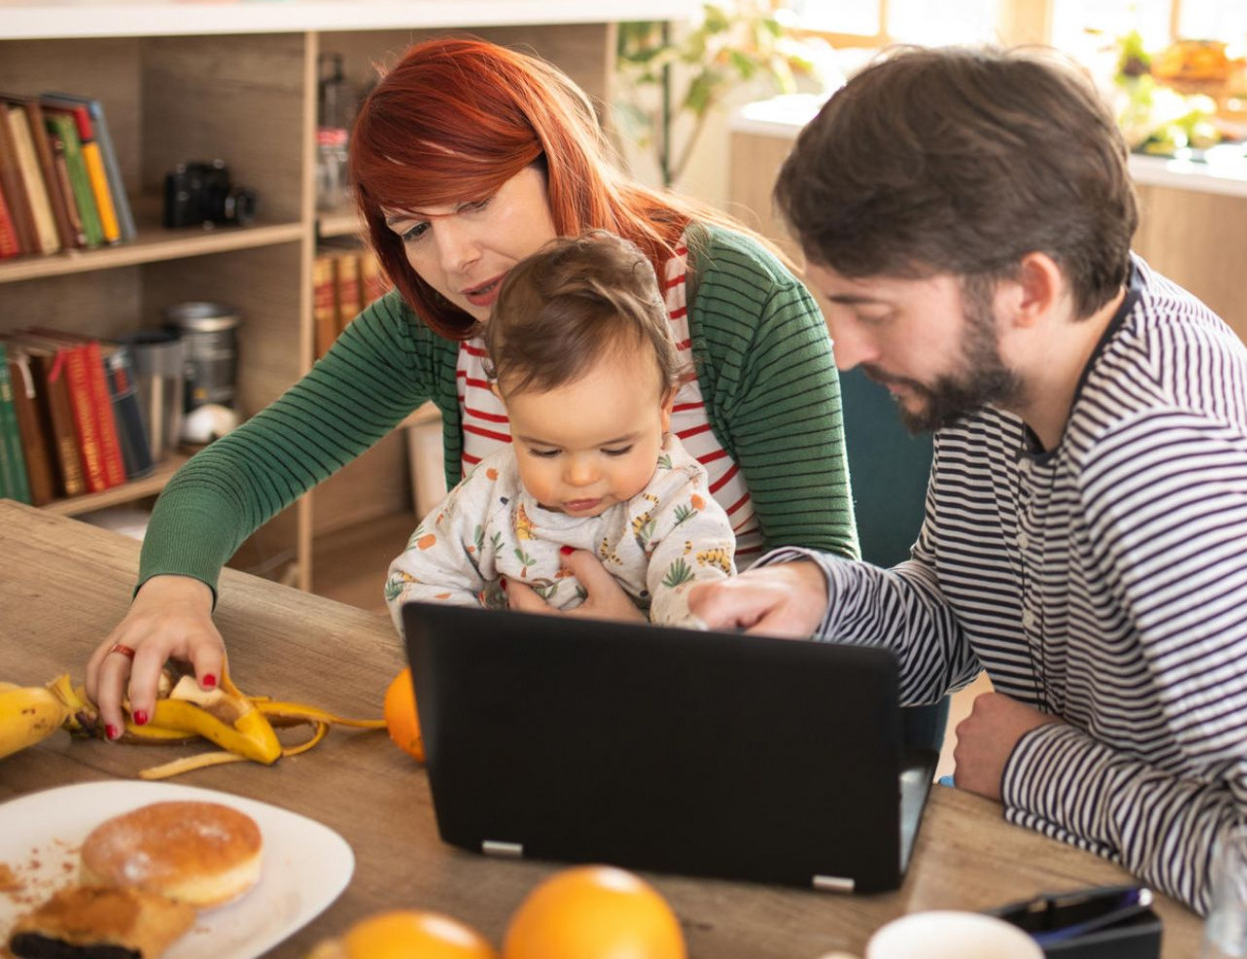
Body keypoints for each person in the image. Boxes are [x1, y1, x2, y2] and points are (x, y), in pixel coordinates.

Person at [690, 45, 1247, 951]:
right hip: (1087, 879)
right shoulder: (999, 380)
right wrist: (817, 598)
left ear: (1028, 288)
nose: (841, 351)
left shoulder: (1167, 471)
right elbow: (960, 622)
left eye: (873, 311)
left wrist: (1035, 763)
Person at [87, 37, 856, 737]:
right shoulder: (437, 321)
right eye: (413, 228)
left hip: (712, 714)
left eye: (475, 201)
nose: (453, 259)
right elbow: (236, 474)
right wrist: (173, 594)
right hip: (518, 701)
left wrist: (642, 643)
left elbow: (828, 586)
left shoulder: (731, 298)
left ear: (555, 160)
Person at [385, 231, 735, 630]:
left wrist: (638, 650)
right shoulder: (493, 490)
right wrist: (486, 649)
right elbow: (415, 582)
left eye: (615, 449)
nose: (580, 477)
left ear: (664, 408)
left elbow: (701, 622)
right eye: (546, 451)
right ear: (506, 406)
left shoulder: (678, 505)